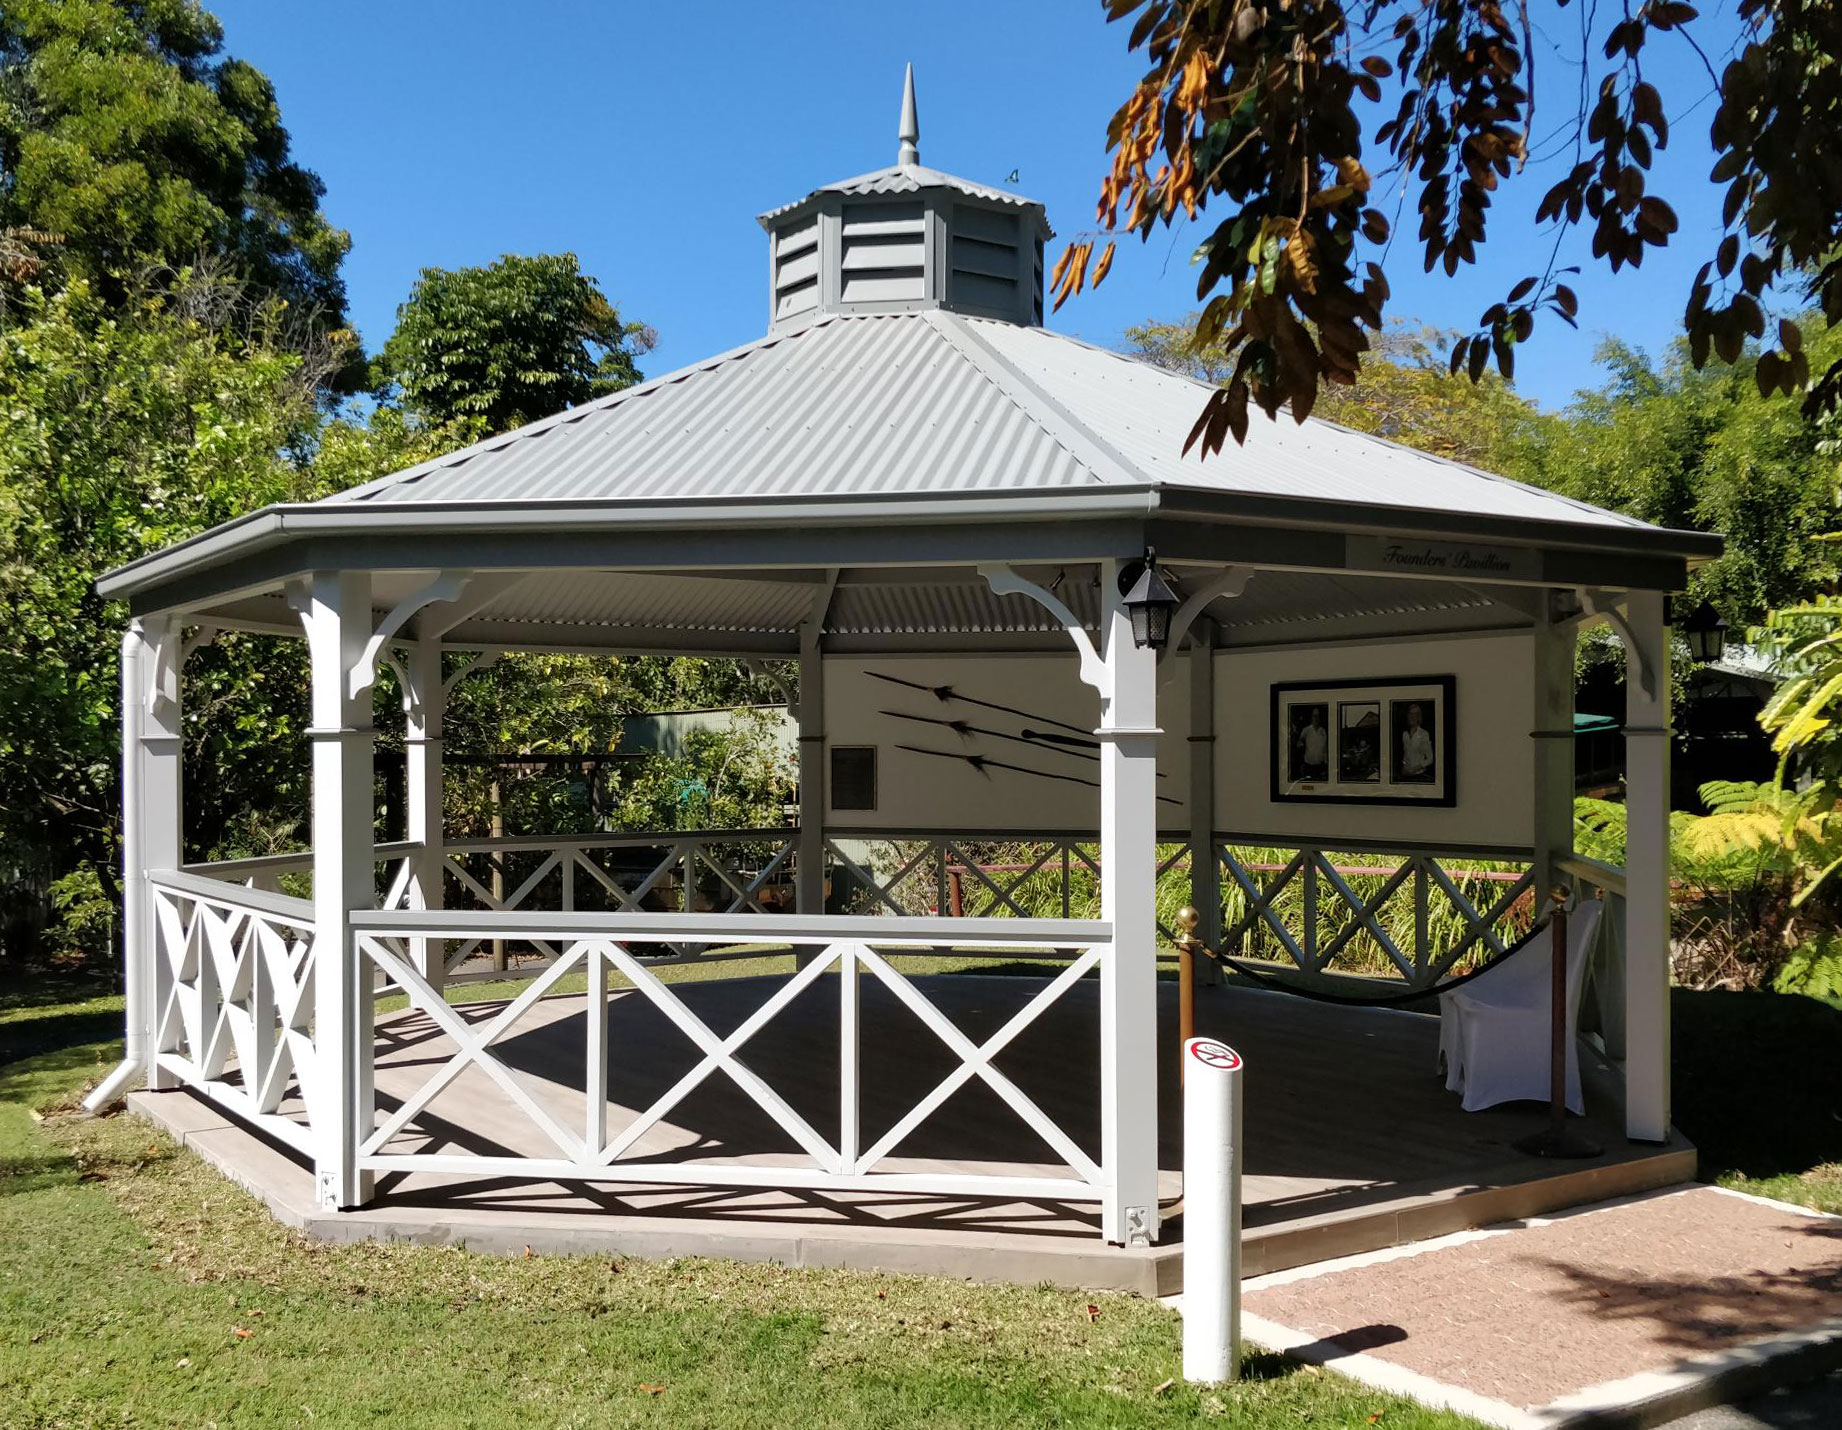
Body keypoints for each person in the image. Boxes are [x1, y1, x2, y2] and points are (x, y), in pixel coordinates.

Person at [1398, 702, 1434, 781]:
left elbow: (1430, 759)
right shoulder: (1405, 734)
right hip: (1406, 775)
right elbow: (1405, 755)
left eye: (1415, 714)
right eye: (1410, 714)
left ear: (1419, 717)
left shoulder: (1424, 734)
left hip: (1419, 776)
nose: (1412, 717)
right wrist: (1403, 766)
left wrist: (1415, 768)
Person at [1295, 707, 1328, 780]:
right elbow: (1299, 742)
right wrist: (1300, 743)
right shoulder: (1306, 730)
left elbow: (1325, 748)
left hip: (1321, 766)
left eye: (1318, 716)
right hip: (1308, 766)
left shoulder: (1323, 731)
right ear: (1311, 717)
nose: (1316, 718)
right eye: (1314, 716)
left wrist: (1326, 762)